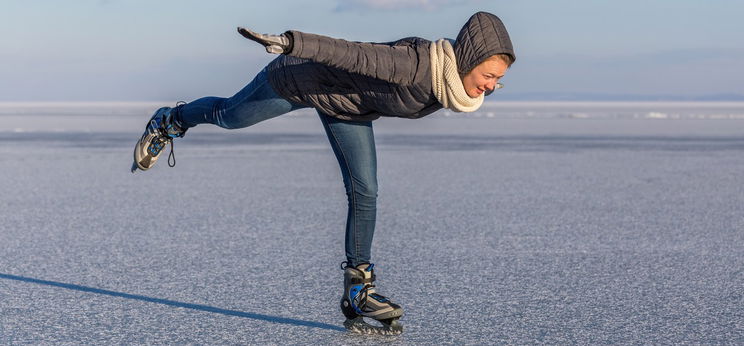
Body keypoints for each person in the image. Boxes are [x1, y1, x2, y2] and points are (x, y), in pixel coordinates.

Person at [132, 11, 515, 335]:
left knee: (366, 191)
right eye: (489, 74)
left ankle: (358, 289)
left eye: (498, 79)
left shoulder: (452, 86)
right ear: (467, 60)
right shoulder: (417, 64)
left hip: (346, 106)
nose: (492, 85)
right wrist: (293, 43)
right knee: (230, 116)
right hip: (298, 78)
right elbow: (352, 54)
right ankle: (171, 121)